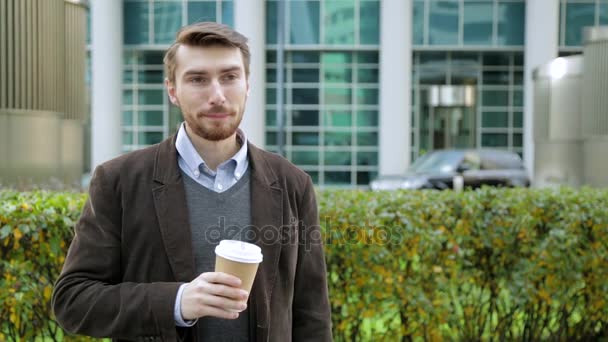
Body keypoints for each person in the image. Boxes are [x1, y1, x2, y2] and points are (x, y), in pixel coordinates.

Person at [52, 22, 332, 342]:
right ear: (172, 90)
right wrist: (176, 302)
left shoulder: (292, 184)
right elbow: (72, 300)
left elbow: (312, 315)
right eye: (198, 79)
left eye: (229, 77)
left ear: (248, 85)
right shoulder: (118, 182)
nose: (217, 95)